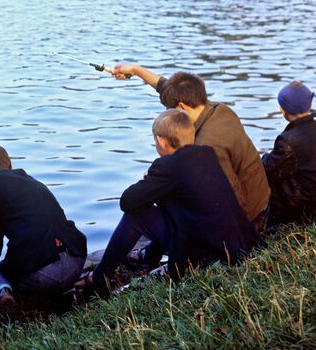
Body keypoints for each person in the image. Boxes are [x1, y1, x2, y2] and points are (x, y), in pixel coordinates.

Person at [78, 110, 257, 292]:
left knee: (136, 215)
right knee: (165, 199)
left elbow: (127, 201)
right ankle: (148, 258)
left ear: (162, 141)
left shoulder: (168, 167)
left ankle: (99, 278)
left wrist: (148, 180)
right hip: (235, 245)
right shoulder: (207, 154)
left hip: (205, 256)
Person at [109, 66, 270, 232]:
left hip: (251, 216)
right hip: (262, 199)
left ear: (181, 108)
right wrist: (135, 71)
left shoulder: (207, 146)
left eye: (169, 109)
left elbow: (232, 195)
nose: (168, 114)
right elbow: (164, 86)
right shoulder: (218, 109)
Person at [0, 143, 87, 314]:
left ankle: (2, 292)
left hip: (43, 274)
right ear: (10, 165)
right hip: (76, 259)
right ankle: (66, 290)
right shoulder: (32, 181)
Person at [262, 82, 316, 226]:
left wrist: (263, 158)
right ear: (310, 106)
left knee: (260, 179)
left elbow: (268, 169)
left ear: (282, 110)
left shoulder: (288, 140)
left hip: (302, 206)